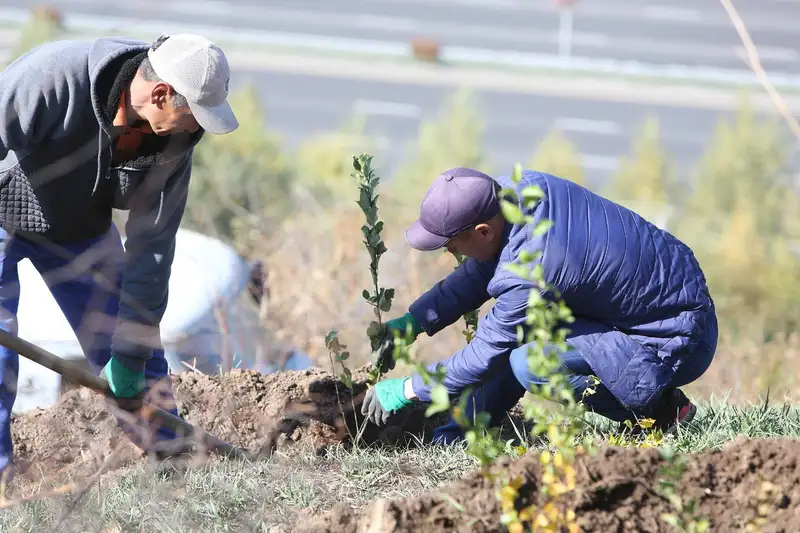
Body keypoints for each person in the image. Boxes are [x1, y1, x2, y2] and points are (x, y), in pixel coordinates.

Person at [0, 32, 239, 478]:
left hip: (78, 231)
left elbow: (152, 253)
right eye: (195, 116)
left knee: (137, 355)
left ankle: (176, 467)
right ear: (162, 94)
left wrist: (127, 356)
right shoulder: (52, 78)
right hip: (2, 208)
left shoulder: (174, 147)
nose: (198, 129)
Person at [361, 167, 717, 443]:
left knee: (529, 361)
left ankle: (663, 412)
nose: (449, 252)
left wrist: (406, 390)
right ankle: (461, 435)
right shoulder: (516, 190)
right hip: (666, 295)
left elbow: (482, 356)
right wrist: (415, 321)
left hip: (674, 337)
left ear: (483, 230)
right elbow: (482, 269)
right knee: (520, 329)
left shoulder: (534, 272)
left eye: (451, 243)